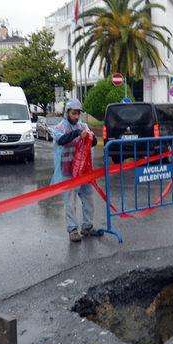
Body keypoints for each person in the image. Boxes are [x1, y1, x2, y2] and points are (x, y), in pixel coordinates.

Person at [51, 99, 101, 242]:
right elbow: (61, 140)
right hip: (67, 171)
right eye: (74, 113)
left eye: (78, 113)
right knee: (70, 202)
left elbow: (95, 142)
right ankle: (72, 230)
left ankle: (87, 226)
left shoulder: (83, 126)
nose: (76, 117)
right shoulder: (60, 128)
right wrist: (78, 133)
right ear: (67, 113)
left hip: (83, 170)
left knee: (89, 198)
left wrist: (90, 136)